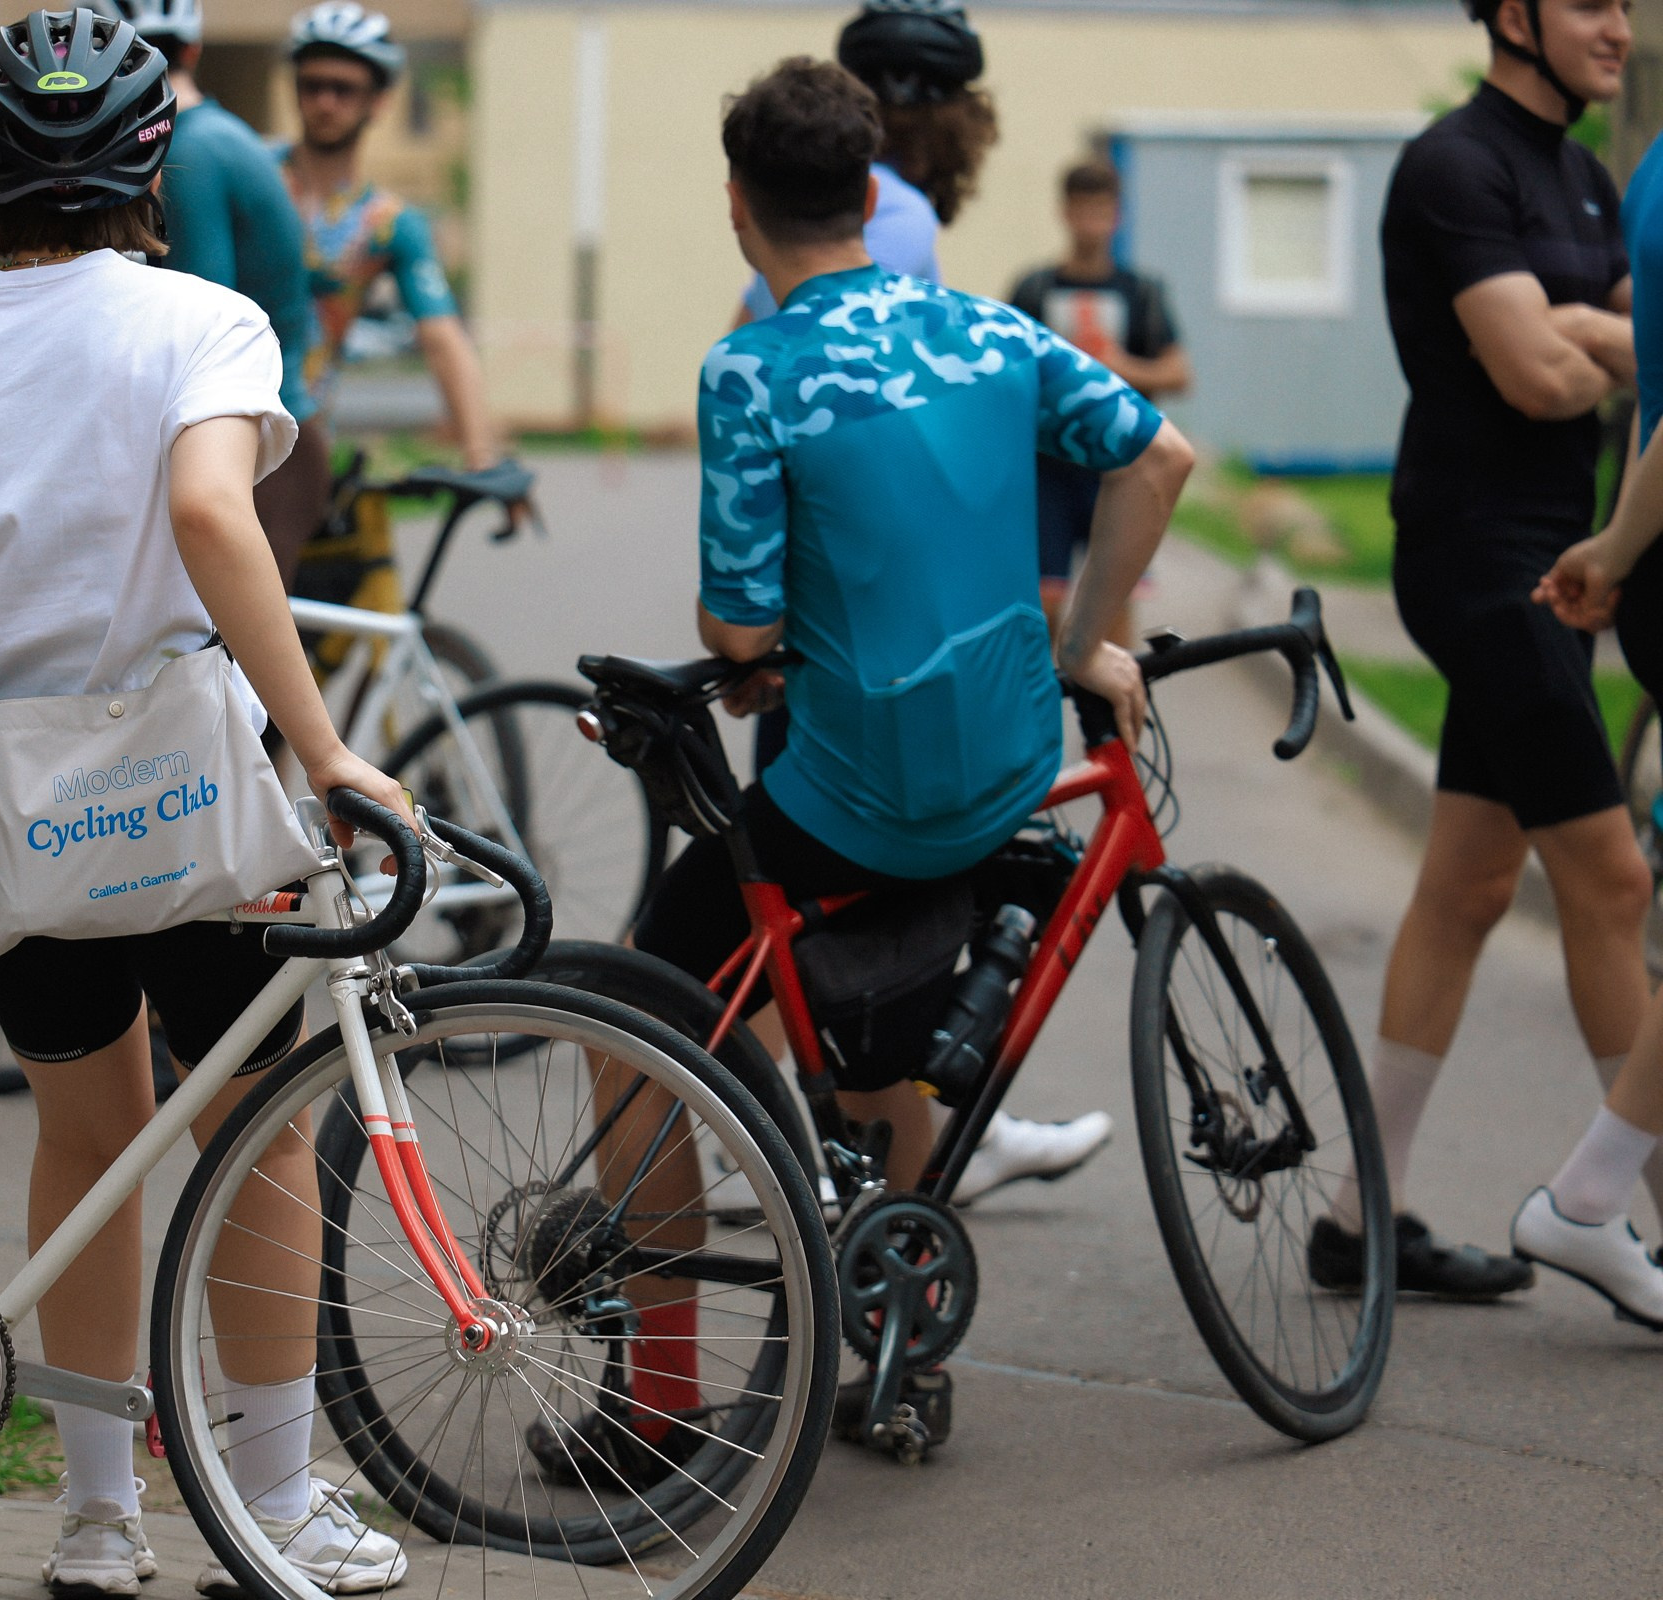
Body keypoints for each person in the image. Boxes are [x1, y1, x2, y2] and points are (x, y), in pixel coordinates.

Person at [0, 11, 414, 1594]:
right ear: (150, 156)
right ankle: (272, 1502)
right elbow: (214, 507)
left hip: (0, 826)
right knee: (258, 1134)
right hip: (190, 806)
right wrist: (323, 744)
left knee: (86, 1135)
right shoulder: (204, 321)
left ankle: (95, 1516)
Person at [532, 57, 1192, 1479]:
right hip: (1013, 774)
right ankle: (899, 1346)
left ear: (738, 206)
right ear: (872, 184)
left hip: (859, 802)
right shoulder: (992, 333)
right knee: (878, 1018)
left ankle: (651, 1406)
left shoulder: (754, 368)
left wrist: (763, 639)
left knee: (635, 1015)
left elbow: (743, 624)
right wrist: (1080, 643)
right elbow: (1162, 456)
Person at [739, 0, 1116, 1209]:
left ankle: (869, 1187)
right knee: (871, 959)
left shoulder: (858, 247)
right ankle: (883, 1190)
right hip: (926, 673)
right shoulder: (926, 257)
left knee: (811, 958)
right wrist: (1078, 636)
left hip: (840, 659)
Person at [1309, 0, 1643, 1302]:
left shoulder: (1585, 176)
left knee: (1466, 888)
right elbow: (1535, 378)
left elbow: (1593, 347)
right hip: (1478, 563)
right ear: (1514, 15)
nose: (1617, 26)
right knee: (1611, 884)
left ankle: (1357, 1217)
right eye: (1590, 4)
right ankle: (1616, 1210)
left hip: (1555, 557)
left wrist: (1591, 340)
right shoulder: (1457, 163)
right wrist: (1613, 345)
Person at [1511, 112, 1663, 1324]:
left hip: (1651, 544)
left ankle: (1591, 1194)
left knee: (1464, 882)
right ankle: (1588, 1196)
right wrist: (1614, 548)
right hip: (1648, 540)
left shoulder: (1655, 167)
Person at [111, 0, 328, 584]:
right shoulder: (220, 133)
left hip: (253, 444)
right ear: (195, 50)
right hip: (267, 432)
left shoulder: (183, 150)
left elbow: (202, 324)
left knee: (232, 662)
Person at [279, 1, 505, 470]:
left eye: (344, 89)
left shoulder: (388, 223)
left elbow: (443, 337)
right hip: (216, 428)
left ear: (378, 100)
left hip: (305, 448)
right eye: (312, 85)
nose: (325, 102)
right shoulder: (251, 179)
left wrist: (482, 455)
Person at [1009, 159, 1191, 642]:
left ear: (1118, 215)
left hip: (1119, 468)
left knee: (1115, 601)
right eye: (1082, 207)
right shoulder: (1034, 289)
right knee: (1043, 602)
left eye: (1102, 208)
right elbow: (1004, 373)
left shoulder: (1141, 294)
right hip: (1048, 468)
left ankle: (1114, 711)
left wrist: (1116, 363)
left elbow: (1178, 372)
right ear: (1065, 212)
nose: (1091, 220)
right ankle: (1047, 703)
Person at [734, 0, 994, 313]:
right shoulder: (902, 211)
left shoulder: (819, 200)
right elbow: (836, 335)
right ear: (962, 122)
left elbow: (749, 328)